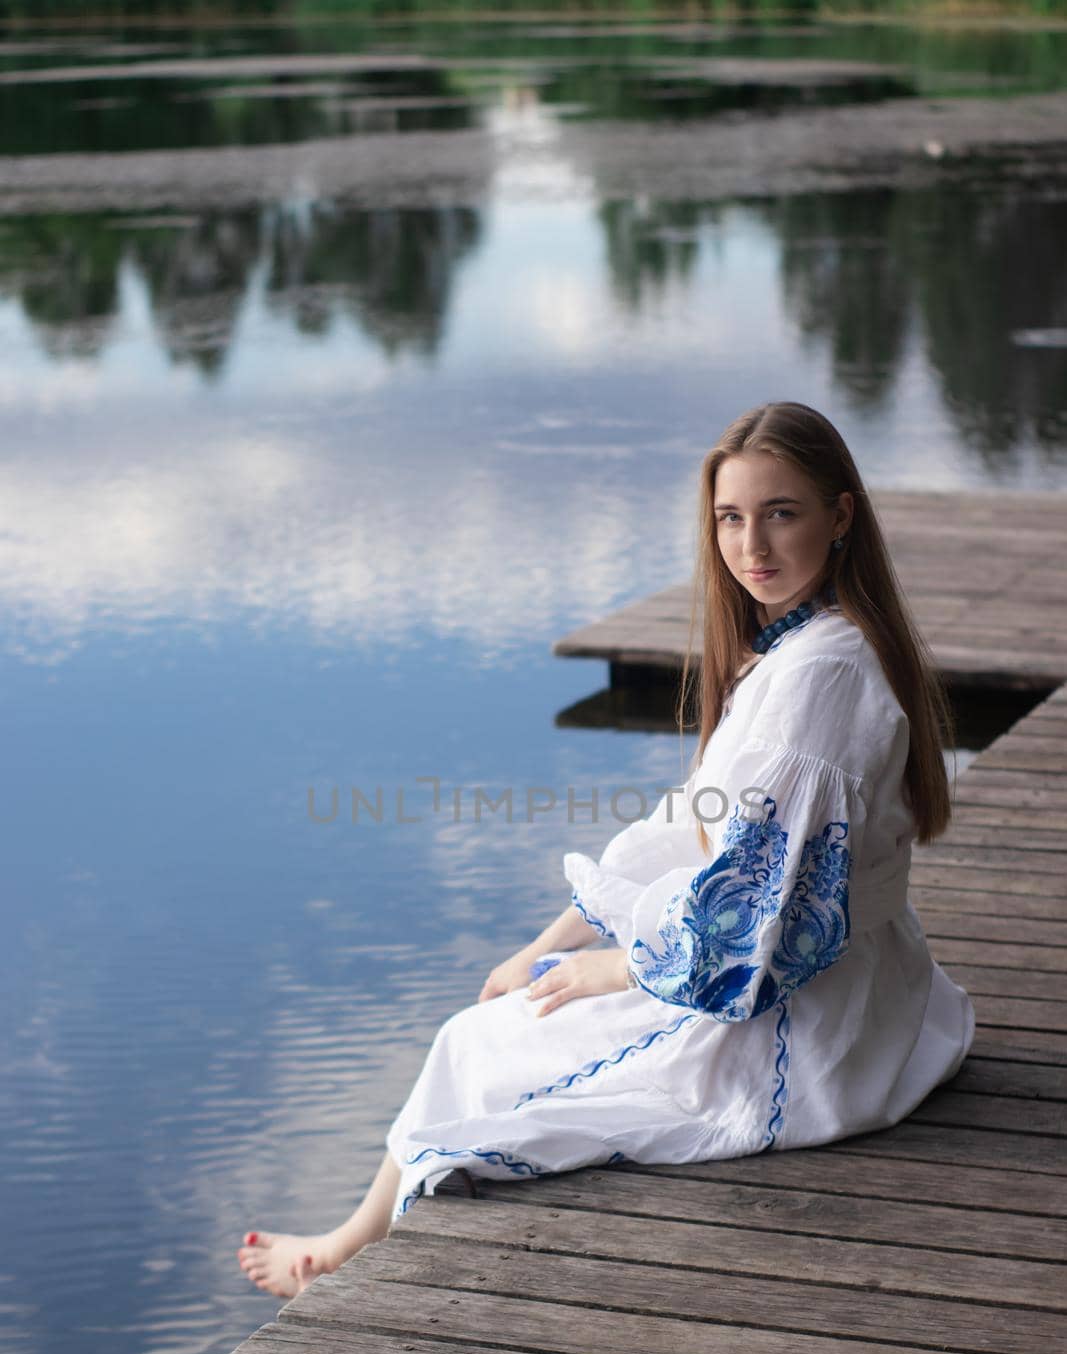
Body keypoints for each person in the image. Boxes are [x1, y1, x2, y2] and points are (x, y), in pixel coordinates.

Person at [238, 400, 975, 1298]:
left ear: (840, 516)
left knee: (482, 1052)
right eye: (731, 518)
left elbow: (755, 918)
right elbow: (689, 824)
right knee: (487, 1031)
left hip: (804, 1022)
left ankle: (346, 1251)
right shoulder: (793, 650)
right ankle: (350, 1240)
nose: (753, 547)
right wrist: (550, 944)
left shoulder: (820, 674)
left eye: (781, 513)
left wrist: (608, 969)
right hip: (832, 981)